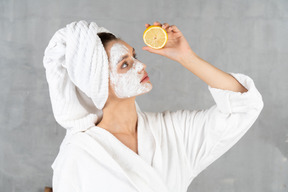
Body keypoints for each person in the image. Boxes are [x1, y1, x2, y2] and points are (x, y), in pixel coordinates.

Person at [43, 20, 264, 192]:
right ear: (98, 83)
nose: (141, 65)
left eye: (135, 56)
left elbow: (243, 105)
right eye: (125, 64)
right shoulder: (79, 153)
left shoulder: (173, 131)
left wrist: (187, 57)